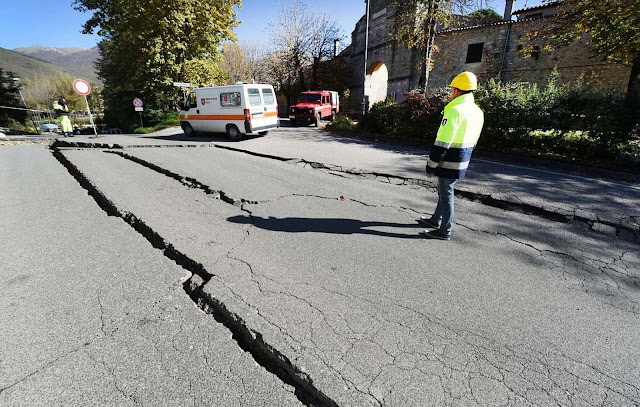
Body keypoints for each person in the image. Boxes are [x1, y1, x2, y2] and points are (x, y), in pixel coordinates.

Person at [419, 71, 484, 240]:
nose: (451, 92)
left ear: (457, 90)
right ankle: (435, 220)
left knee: (446, 193)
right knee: (444, 190)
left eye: (453, 89)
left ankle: (444, 230)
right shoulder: (478, 112)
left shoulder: (455, 110)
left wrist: (431, 165)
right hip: (463, 158)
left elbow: (443, 141)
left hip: (449, 159)